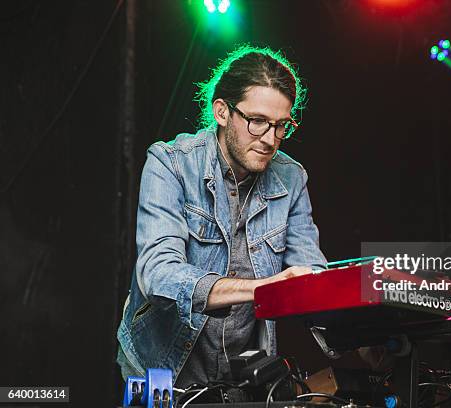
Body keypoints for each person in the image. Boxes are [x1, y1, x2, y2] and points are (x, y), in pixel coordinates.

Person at [116, 45, 327, 388]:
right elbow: (159, 275)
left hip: (242, 374)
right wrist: (262, 289)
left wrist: (363, 328)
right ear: (222, 112)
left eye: (281, 126)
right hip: (161, 367)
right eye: (258, 122)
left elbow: (311, 274)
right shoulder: (169, 163)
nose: (270, 139)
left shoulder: (293, 178)